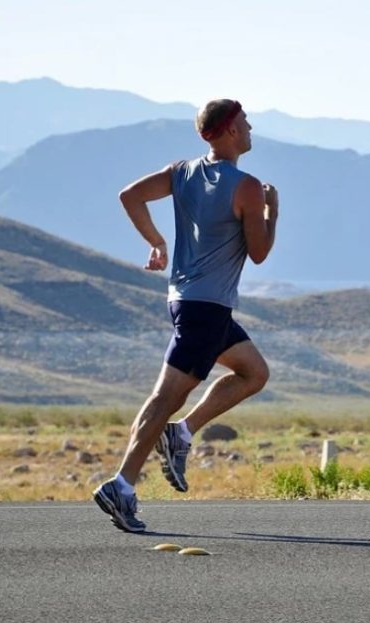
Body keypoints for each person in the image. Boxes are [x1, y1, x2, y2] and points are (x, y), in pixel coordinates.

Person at [93, 99, 277, 532]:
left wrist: (156, 241)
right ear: (230, 130)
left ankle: (182, 432)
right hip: (206, 308)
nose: (251, 130)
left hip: (188, 301)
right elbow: (259, 252)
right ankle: (121, 485)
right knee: (164, 397)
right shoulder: (247, 187)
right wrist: (272, 211)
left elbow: (130, 195)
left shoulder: (182, 171)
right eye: (246, 124)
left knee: (254, 372)